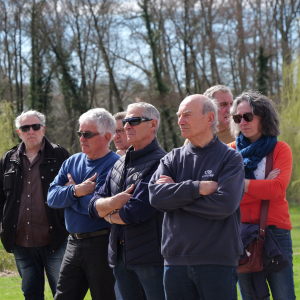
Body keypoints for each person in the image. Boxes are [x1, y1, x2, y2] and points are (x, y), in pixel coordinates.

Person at [149, 94, 245, 300]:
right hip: (175, 261)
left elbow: (224, 205)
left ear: (210, 119)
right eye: (179, 115)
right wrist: (196, 188)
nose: (180, 121)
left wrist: (175, 196)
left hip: (217, 261)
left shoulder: (231, 158)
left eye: (187, 115)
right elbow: (156, 198)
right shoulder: (171, 158)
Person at [89, 102, 166, 300]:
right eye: (125, 121)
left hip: (151, 259)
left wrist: (108, 214)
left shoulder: (162, 162)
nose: (127, 126)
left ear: (153, 124)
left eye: (134, 121)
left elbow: (135, 211)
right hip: (119, 256)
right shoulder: (119, 163)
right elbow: (93, 206)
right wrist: (115, 202)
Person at [229, 91, 296, 300]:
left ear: (263, 117)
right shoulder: (230, 152)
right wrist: (262, 186)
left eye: (248, 116)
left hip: (276, 231)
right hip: (242, 234)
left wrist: (242, 183)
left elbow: (276, 188)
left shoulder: (280, 149)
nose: (242, 122)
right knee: (250, 297)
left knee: (284, 295)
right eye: (237, 118)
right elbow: (227, 193)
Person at [47, 108, 119, 300]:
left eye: (87, 134)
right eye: (80, 133)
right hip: (73, 242)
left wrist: (71, 198)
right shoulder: (72, 161)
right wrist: (76, 191)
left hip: (102, 244)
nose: (82, 138)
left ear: (106, 137)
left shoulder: (116, 165)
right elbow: (52, 198)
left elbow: (100, 208)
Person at [0, 110, 70, 299]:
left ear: (43, 129)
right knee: (30, 294)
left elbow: (73, 193)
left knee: (63, 293)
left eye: (35, 126)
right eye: (25, 127)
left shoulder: (60, 154)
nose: (31, 131)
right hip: (21, 241)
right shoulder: (8, 159)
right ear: (19, 132)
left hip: (55, 239)